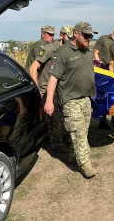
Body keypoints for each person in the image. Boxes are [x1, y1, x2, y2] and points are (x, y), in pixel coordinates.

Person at [44, 21, 98, 178]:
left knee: (83, 130)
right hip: (70, 100)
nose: (89, 38)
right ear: (76, 33)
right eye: (86, 35)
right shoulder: (62, 53)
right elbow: (53, 78)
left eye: (91, 35)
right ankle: (85, 164)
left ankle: (75, 155)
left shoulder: (88, 51)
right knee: (78, 132)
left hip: (85, 98)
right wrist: (49, 101)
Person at [29, 25, 73, 153]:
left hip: (62, 88)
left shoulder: (68, 49)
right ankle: (57, 144)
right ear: (62, 36)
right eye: (68, 37)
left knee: (65, 115)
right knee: (54, 118)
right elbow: (33, 68)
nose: (70, 40)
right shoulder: (49, 48)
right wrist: (38, 89)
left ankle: (65, 138)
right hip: (48, 88)